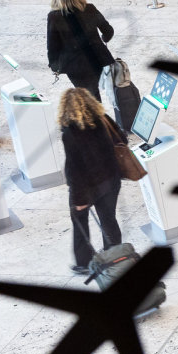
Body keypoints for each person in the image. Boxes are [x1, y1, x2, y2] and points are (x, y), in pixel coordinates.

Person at [59, 88, 123, 275]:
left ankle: (84, 261)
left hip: (86, 189)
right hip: (110, 182)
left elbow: (75, 169)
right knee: (108, 220)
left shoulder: (70, 133)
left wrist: (79, 200)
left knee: (80, 221)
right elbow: (122, 140)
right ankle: (114, 257)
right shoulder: (104, 119)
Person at [46, 0, 114, 100]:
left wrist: (54, 66)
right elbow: (108, 30)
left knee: (90, 98)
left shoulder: (54, 17)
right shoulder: (89, 9)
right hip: (97, 59)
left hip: (76, 66)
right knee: (103, 94)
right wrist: (104, 38)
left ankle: (97, 117)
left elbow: (53, 46)